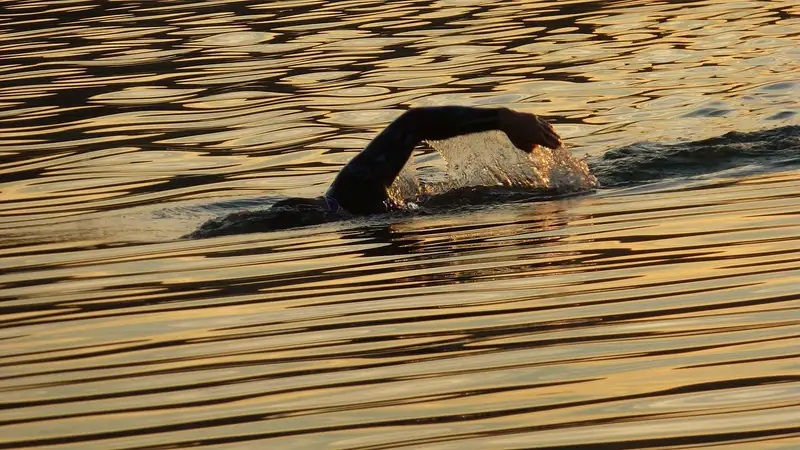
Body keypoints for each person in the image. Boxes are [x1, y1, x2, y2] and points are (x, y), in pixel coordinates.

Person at [187, 106, 563, 238]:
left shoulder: (358, 196)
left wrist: (504, 119)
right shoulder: (360, 201)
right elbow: (412, 124)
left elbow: (413, 123)